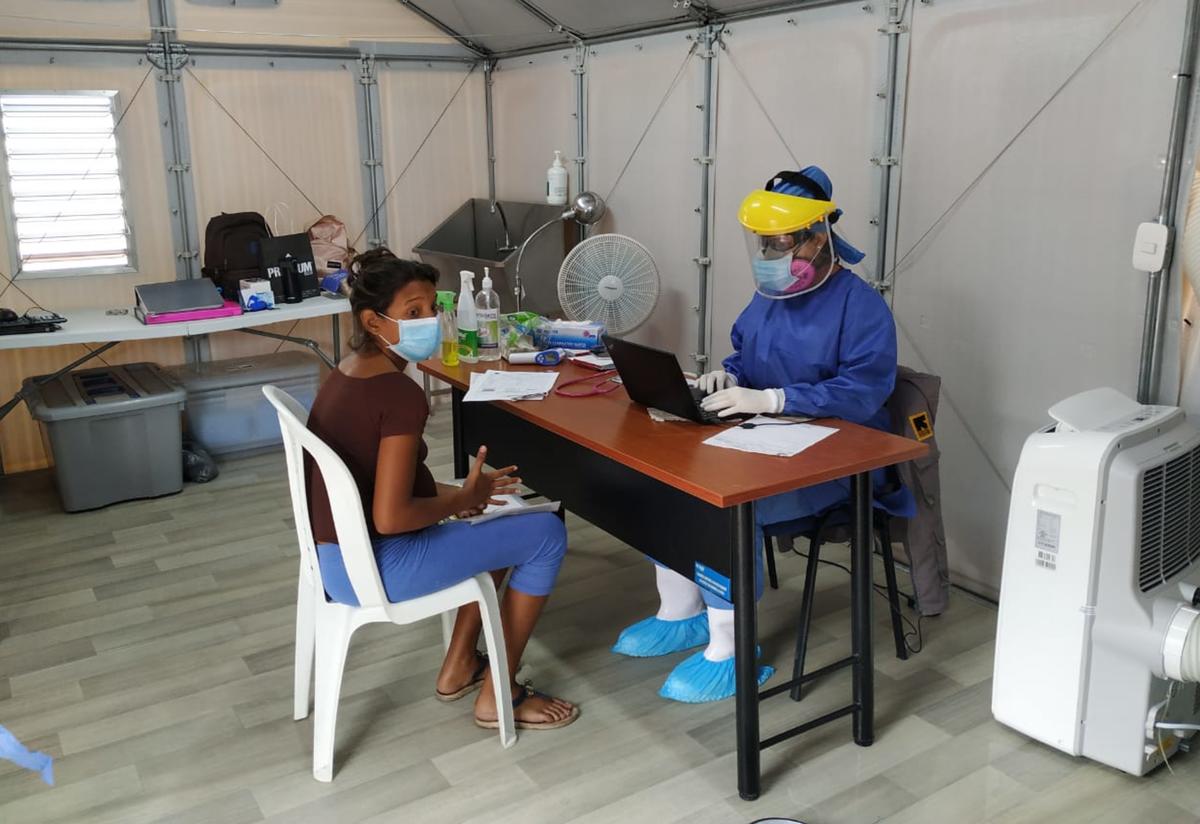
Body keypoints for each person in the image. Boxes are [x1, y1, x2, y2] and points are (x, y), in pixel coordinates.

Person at [612, 165, 914, 702]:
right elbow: (747, 353)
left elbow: (864, 390)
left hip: (834, 465)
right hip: (765, 445)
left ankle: (732, 648)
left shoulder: (860, 306)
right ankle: (682, 614)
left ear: (819, 239)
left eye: (781, 243)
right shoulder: (770, 298)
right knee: (668, 486)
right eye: (765, 243)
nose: (771, 255)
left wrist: (778, 400)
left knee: (720, 511)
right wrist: (729, 376)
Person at [306, 248, 579, 730]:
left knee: (496, 521)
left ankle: (460, 667)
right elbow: (391, 517)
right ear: (373, 321)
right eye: (413, 313)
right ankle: (500, 694)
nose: (430, 321)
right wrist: (461, 499)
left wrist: (462, 500)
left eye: (433, 309)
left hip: (337, 558)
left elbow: (389, 478)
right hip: (378, 565)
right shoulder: (398, 394)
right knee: (545, 534)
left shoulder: (346, 374)